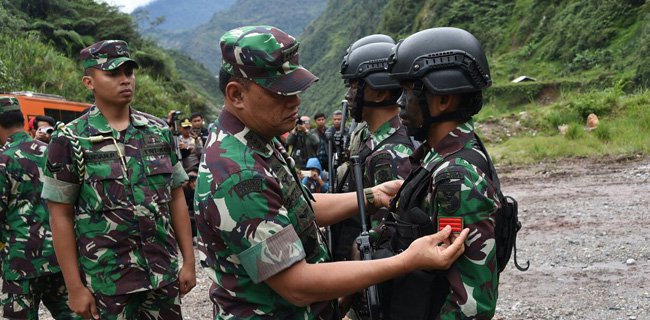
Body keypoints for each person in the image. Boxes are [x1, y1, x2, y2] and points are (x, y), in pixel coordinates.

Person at [194, 25, 469, 320]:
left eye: (297, 90)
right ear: (237, 95)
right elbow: (296, 284)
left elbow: (298, 206)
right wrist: (407, 260)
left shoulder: (257, 139)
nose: (296, 102)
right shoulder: (237, 174)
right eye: (282, 94)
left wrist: (372, 196)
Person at [41, 40, 196, 320]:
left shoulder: (158, 132)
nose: (125, 80)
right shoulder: (70, 139)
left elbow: (176, 198)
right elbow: (59, 216)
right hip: (107, 281)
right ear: (89, 82)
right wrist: (74, 287)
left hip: (161, 275)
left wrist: (188, 261)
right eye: (113, 74)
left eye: (129, 72)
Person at [380, 27, 501, 319]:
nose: (399, 103)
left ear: (443, 99)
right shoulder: (436, 158)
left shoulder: (455, 176)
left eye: (408, 91)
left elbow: (471, 303)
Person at [331, 34, 415, 263]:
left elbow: (387, 237)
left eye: (355, 86)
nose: (348, 95)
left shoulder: (390, 154)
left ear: (379, 92)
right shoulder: (370, 138)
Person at [0, 97, 78, 319]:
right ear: (23, 121)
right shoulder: (51, 152)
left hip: (21, 261)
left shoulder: (3, 160)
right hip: (61, 257)